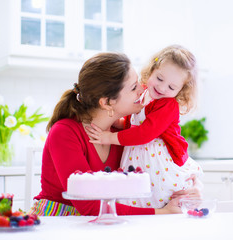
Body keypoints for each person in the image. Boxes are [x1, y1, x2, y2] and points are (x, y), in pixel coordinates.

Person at [28, 52, 201, 216]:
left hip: (104, 220)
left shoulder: (124, 135)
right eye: (134, 87)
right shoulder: (65, 132)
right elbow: (88, 205)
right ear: (107, 103)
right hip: (57, 221)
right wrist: (162, 212)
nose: (143, 89)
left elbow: (153, 177)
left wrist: (189, 189)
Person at [86, 45, 204, 209]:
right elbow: (133, 121)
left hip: (156, 157)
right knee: (138, 196)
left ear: (180, 91)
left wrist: (110, 137)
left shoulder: (168, 105)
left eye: (171, 87)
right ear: (153, 69)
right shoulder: (144, 93)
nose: (162, 88)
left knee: (157, 194)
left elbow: (144, 133)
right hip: (138, 154)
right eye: (160, 79)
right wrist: (116, 122)